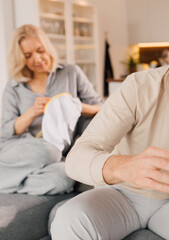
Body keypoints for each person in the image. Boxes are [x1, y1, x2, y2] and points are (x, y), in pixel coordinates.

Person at [51, 14, 169, 240]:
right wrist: (127, 167)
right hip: (121, 193)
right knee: (68, 219)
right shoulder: (138, 88)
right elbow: (76, 159)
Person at [0, 24, 102, 195]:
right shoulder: (14, 85)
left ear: (47, 48)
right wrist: (32, 112)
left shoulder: (71, 72)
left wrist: (78, 106)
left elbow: (101, 108)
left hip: (56, 157)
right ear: (20, 58)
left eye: (40, 51)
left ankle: (8, 180)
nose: (37, 59)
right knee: (49, 150)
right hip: (19, 150)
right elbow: (6, 131)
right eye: (28, 55)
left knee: (64, 177)